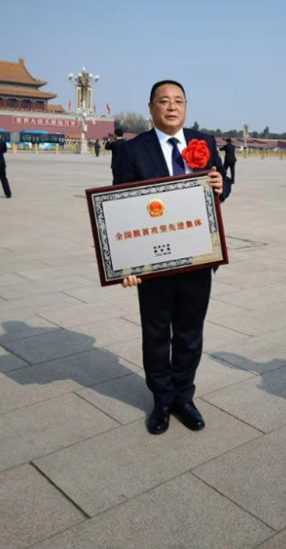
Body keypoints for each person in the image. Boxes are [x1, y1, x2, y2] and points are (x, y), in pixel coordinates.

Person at [115, 80, 231, 435]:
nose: (171, 107)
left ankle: (184, 396)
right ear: (151, 108)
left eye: (178, 101)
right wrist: (126, 264)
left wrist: (220, 185)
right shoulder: (132, 150)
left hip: (197, 256)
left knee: (189, 333)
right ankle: (162, 400)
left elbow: (221, 186)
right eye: (163, 101)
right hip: (154, 264)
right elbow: (121, 208)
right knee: (155, 333)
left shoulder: (203, 142)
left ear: (186, 107)